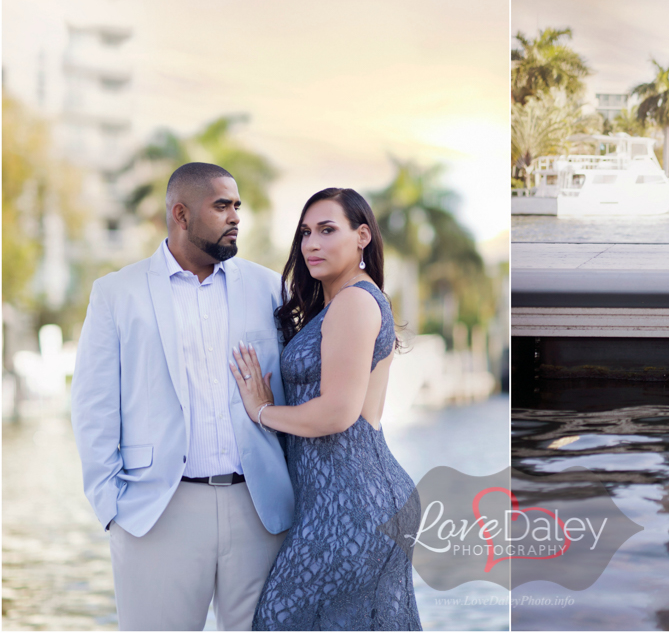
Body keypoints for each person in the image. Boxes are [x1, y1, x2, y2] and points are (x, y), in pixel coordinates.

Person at [70, 163, 295, 630]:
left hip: (258, 507)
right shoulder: (116, 293)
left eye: (237, 206)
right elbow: (93, 408)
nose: (235, 216)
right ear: (181, 214)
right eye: (221, 206)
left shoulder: (269, 287)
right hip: (157, 511)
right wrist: (113, 510)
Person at [231, 187, 422, 631]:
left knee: (278, 621)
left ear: (362, 237)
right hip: (346, 502)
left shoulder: (354, 302)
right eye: (305, 233)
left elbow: (338, 413)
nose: (311, 244)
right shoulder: (344, 301)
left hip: (355, 506)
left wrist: (261, 411)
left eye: (327, 230)